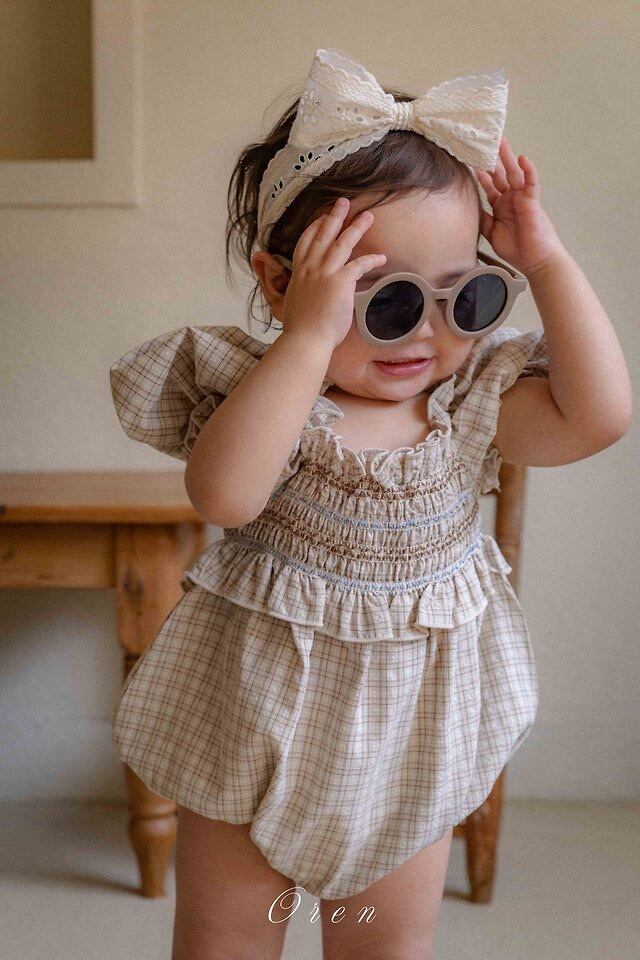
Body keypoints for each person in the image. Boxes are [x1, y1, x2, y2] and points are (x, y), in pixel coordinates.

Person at [108, 48, 632, 960]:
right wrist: (308, 342)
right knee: (224, 943)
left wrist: (544, 261)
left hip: (411, 740)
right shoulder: (268, 396)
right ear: (281, 284)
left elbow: (601, 417)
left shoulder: (469, 405)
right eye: (384, 304)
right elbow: (226, 495)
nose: (425, 332)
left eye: (464, 296)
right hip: (253, 728)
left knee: (387, 948)